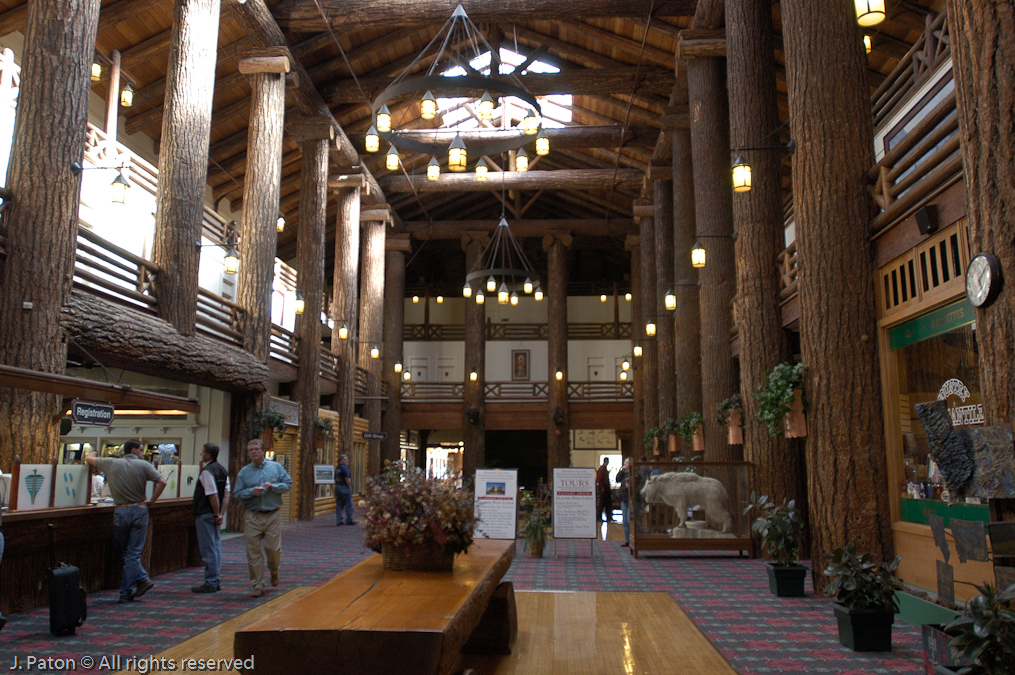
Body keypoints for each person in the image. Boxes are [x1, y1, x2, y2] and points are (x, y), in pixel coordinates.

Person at [86, 440, 167, 604]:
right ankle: (134, 585)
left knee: (121, 549)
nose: (143, 453)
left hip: (121, 510)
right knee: (133, 551)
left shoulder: (111, 463)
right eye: (141, 450)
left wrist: (94, 451)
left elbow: (88, 458)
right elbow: (162, 482)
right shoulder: (144, 466)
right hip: (139, 509)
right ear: (133, 450)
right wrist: (152, 500)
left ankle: (136, 584)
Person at [233, 438, 291, 598]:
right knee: (253, 552)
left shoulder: (276, 468)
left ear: (263, 451)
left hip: (272, 515)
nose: (253, 452)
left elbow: (288, 484)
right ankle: (257, 584)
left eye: (256, 449)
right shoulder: (244, 472)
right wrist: (251, 492)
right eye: (250, 450)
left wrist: (274, 487)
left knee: (273, 549)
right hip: (252, 516)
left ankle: (274, 570)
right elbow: (237, 493)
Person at [191, 443, 230, 593]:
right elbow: (226, 494)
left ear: (208, 455)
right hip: (215, 514)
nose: (201, 455)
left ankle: (211, 581)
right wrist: (221, 514)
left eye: (202, 452)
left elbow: (212, 495)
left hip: (206, 513)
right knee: (216, 546)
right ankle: (215, 579)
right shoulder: (223, 470)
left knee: (208, 549)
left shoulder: (207, 471)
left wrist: (215, 514)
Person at [334, 454, 355, 526]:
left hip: (337, 487)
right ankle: (349, 519)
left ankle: (339, 520)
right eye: (345, 459)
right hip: (344, 487)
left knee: (339, 504)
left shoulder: (337, 468)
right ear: (341, 460)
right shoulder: (345, 468)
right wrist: (349, 487)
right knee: (349, 504)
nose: (347, 461)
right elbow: (347, 478)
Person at [616, 458, 632, 547]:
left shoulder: (635, 473)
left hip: (631, 499)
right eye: (625, 463)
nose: (627, 464)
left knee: (630, 521)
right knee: (625, 522)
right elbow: (617, 479)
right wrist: (622, 471)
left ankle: (634, 538)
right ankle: (627, 540)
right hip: (624, 499)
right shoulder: (623, 474)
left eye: (628, 463)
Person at [596, 457, 613, 523]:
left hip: (606, 487)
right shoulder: (602, 469)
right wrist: (602, 488)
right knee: (602, 503)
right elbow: (599, 479)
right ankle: (599, 517)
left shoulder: (604, 469)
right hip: (604, 488)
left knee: (608, 503)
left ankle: (609, 517)